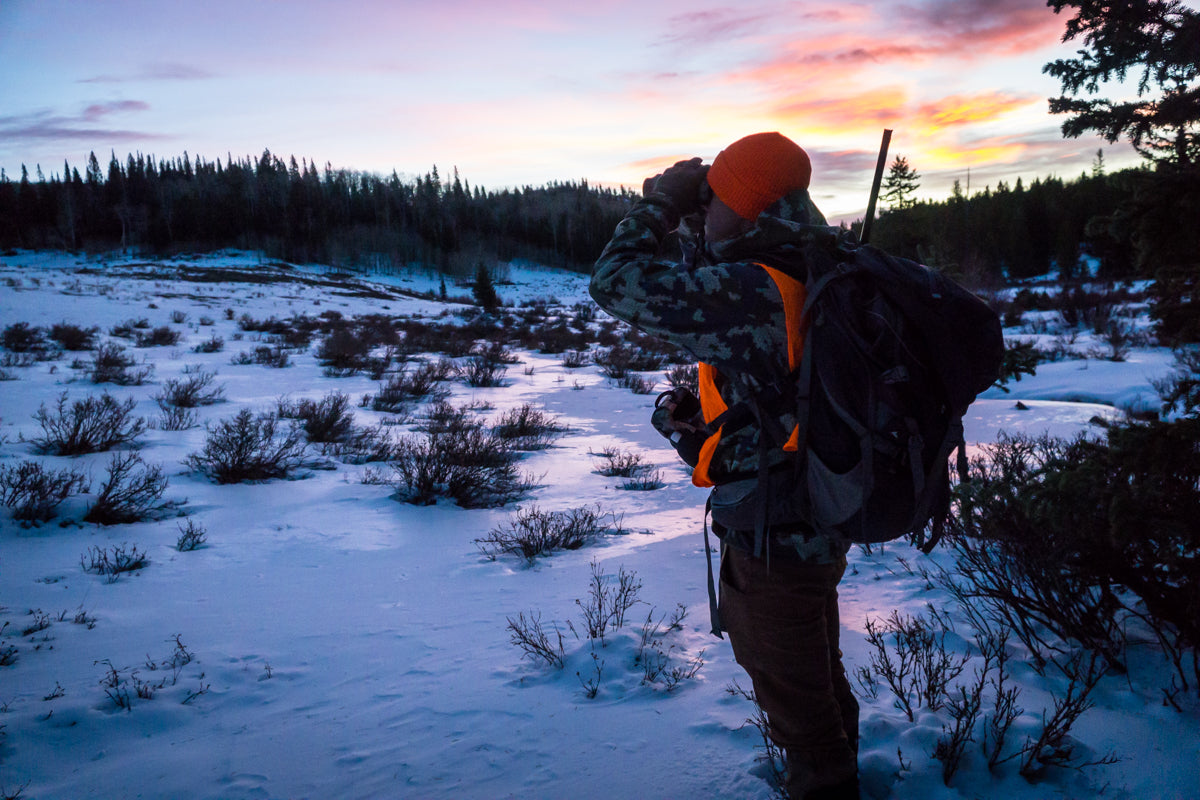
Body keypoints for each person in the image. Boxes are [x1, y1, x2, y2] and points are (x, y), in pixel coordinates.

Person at [589, 132, 860, 800]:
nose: (705, 208)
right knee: (814, 686)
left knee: (801, 707)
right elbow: (781, 386)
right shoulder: (803, 264)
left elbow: (616, 284)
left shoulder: (755, 289)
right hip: (809, 520)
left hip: (779, 538)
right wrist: (714, 423)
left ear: (747, 207)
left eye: (717, 198)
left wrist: (659, 207)